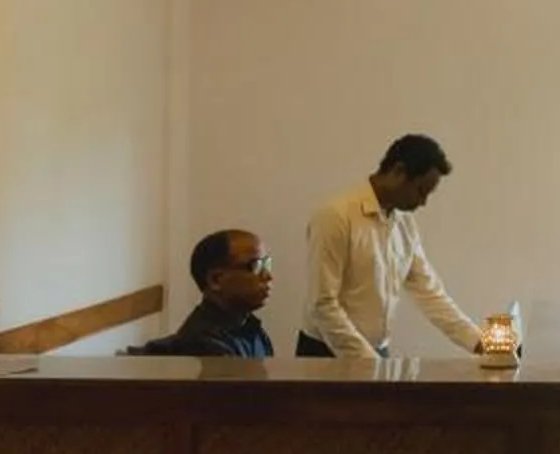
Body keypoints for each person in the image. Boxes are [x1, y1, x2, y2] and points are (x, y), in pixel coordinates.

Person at [298, 134, 484, 360]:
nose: (423, 202)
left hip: (376, 354)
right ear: (398, 171)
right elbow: (322, 304)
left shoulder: (405, 224)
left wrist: (479, 342)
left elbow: (429, 292)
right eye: (420, 191)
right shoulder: (335, 217)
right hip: (326, 355)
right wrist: (371, 365)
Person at [135, 229, 276, 358]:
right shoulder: (203, 346)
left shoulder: (250, 328)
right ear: (215, 280)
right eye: (256, 266)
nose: (268, 276)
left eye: (267, 264)